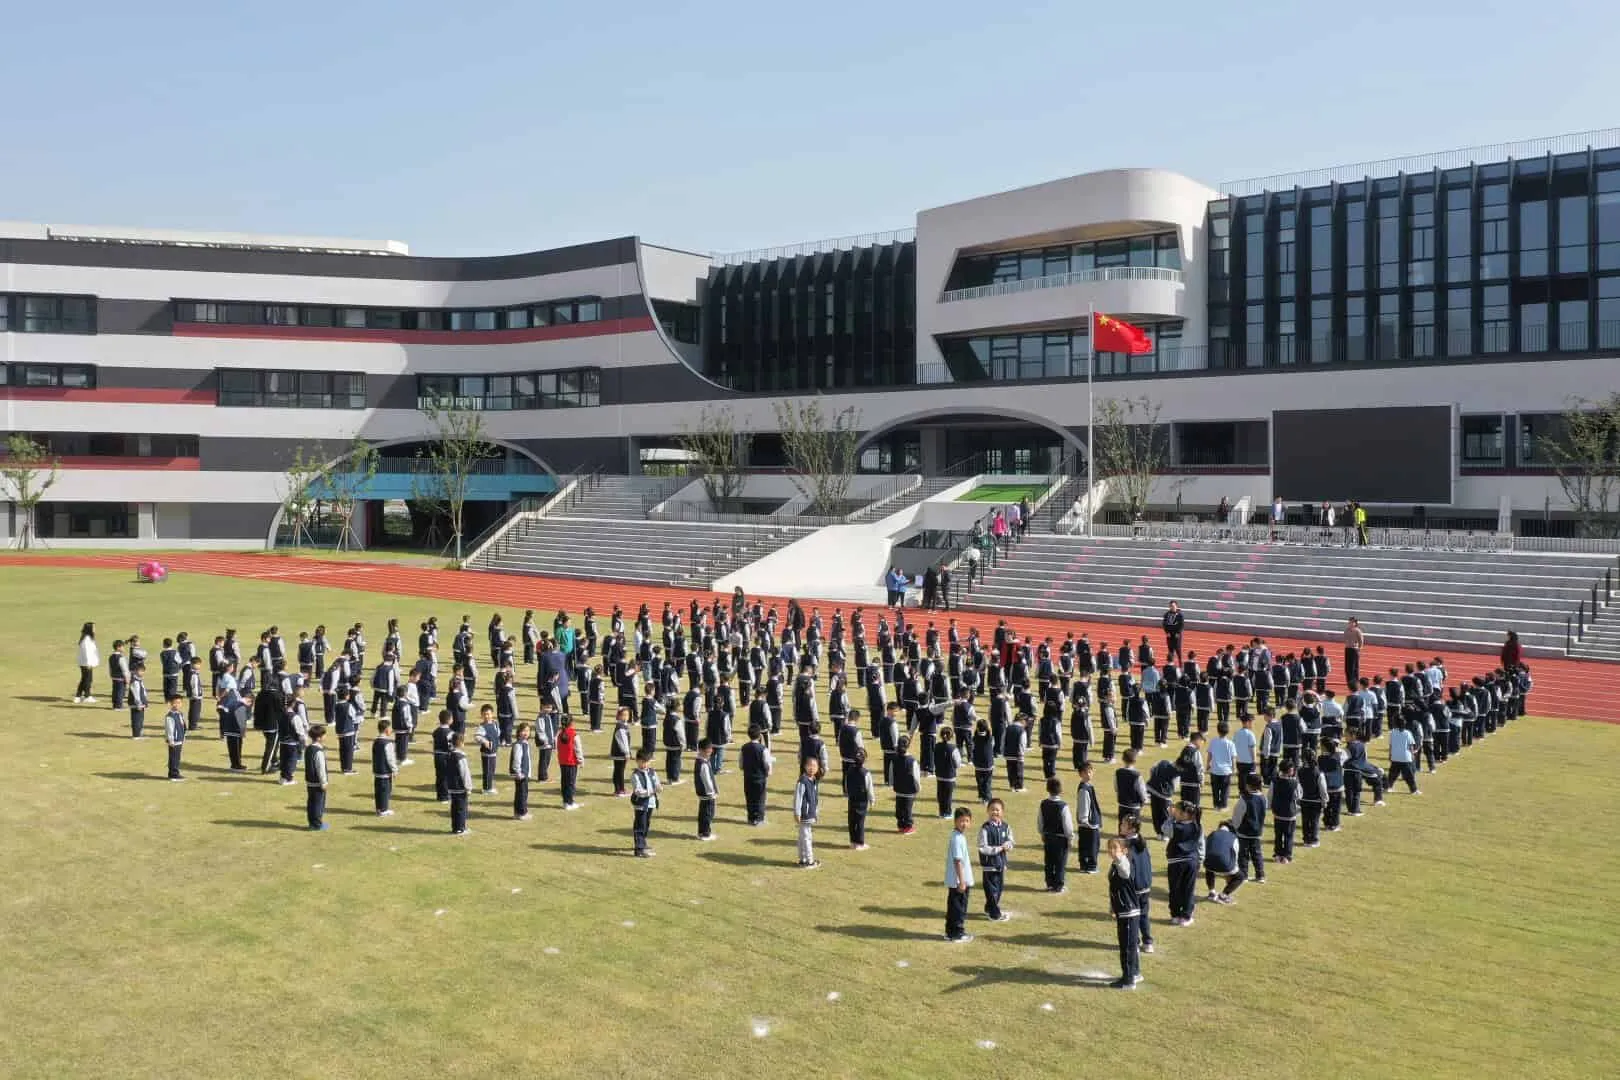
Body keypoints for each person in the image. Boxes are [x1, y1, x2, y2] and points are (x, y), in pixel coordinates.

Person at [1107, 836, 1142, 989]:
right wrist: (1113, 907)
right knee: (1130, 945)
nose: (1112, 851)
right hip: (1123, 911)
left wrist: (1120, 858)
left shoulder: (1123, 864)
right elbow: (1115, 889)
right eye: (1110, 848)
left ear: (1124, 851)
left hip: (1129, 912)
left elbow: (1126, 873)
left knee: (1127, 947)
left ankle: (1128, 980)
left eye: (1115, 848)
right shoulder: (1115, 864)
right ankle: (1135, 973)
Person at [1164, 800, 1202, 926]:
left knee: (1175, 889)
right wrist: (1200, 859)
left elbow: (1164, 829)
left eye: (1177, 810)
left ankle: (1175, 914)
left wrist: (1170, 817)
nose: (1175, 812)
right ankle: (1186, 915)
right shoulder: (1197, 826)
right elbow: (1201, 844)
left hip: (1176, 862)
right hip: (1192, 861)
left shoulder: (1176, 827)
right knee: (1188, 889)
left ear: (1185, 814)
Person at [977, 798, 1012, 922]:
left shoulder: (1005, 826)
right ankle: (995, 914)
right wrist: (998, 849)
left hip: (1001, 865)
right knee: (991, 891)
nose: (995, 812)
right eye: (992, 809)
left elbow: (1010, 841)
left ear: (1002, 812)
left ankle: (989, 908)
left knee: (999, 889)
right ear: (988, 811)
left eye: (997, 810)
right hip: (989, 865)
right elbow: (983, 848)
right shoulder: (985, 829)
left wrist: (1008, 845)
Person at [1038, 776, 1075, 893]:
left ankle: (1049, 883)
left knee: (1049, 861)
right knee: (1060, 862)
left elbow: (1040, 820)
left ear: (1047, 789)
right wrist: (1070, 837)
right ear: (1061, 790)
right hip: (1060, 838)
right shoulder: (1063, 806)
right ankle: (1058, 885)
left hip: (1048, 836)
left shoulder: (1043, 804)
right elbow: (1067, 824)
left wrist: (1042, 832)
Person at [944, 806, 975, 943]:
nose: (964, 824)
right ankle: (957, 933)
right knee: (958, 908)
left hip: (956, 880)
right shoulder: (957, 838)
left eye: (967, 821)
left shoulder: (958, 836)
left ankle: (950, 932)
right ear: (955, 821)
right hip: (958, 881)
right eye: (961, 820)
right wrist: (962, 881)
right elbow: (958, 860)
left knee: (953, 907)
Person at [1203, 821, 1244, 905]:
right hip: (1225, 864)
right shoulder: (1233, 837)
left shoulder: (1212, 834)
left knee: (1209, 869)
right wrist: (1233, 869)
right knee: (1240, 877)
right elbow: (1235, 853)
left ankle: (1211, 892)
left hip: (1208, 862)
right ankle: (1223, 895)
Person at [740, 725, 773, 826]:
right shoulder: (763, 749)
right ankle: (759, 818)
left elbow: (741, 762)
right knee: (760, 798)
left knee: (749, 797)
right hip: (760, 777)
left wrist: (743, 768)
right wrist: (769, 771)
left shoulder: (744, 747)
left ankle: (751, 817)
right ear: (759, 736)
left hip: (748, 777)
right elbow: (767, 763)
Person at [630, 750, 660, 856]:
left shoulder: (652, 771)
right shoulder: (635, 775)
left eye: (647, 762)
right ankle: (639, 849)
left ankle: (643, 842)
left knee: (646, 824)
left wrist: (658, 787)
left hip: (650, 803)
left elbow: (656, 782)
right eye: (642, 762)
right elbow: (638, 791)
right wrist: (651, 792)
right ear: (637, 761)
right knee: (640, 826)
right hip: (641, 804)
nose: (645, 764)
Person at [794, 756, 822, 869]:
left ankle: (802, 859)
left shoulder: (814, 780)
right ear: (805, 767)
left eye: (814, 766)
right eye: (809, 765)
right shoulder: (802, 781)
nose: (812, 768)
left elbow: (815, 799)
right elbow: (798, 798)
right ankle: (809, 861)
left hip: (810, 814)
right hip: (804, 815)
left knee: (803, 837)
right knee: (806, 838)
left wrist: (816, 812)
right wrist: (797, 813)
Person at [1075, 761, 1103, 873]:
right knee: (1090, 846)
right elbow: (1084, 806)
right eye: (1086, 772)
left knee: (1088, 845)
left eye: (1090, 772)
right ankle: (1089, 866)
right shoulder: (1084, 789)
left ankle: (1085, 865)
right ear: (1081, 774)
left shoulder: (1088, 787)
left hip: (1090, 823)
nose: (1089, 774)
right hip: (1088, 824)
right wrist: (1085, 820)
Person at [845, 748, 874, 850]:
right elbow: (869, 788)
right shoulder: (866, 773)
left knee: (852, 821)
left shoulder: (849, 771)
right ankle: (860, 843)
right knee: (860, 822)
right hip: (861, 801)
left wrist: (848, 794)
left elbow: (846, 785)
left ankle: (853, 841)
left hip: (852, 799)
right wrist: (872, 800)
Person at [893, 735, 921, 835]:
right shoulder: (912, 761)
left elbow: (891, 773)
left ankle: (901, 825)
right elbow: (916, 776)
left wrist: (893, 784)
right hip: (909, 789)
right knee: (908, 808)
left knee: (900, 808)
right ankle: (908, 826)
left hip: (899, 788)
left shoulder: (895, 758)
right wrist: (918, 787)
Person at [305, 724, 329, 831]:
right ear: (319, 737)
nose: (325, 737)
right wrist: (324, 782)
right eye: (324, 735)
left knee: (311, 803)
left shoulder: (309, 748)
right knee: (318, 804)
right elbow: (321, 768)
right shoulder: (318, 751)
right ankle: (317, 824)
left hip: (310, 781)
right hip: (317, 782)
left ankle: (312, 823)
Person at [448, 732, 473, 835]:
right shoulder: (460, 757)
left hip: (452, 786)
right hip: (460, 787)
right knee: (461, 808)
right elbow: (464, 773)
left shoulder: (450, 754)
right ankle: (460, 828)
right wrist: (468, 787)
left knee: (454, 808)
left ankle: (455, 827)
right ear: (461, 743)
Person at [372, 718, 398, 816]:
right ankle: (384, 809)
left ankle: (379, 808)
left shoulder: (376, 741)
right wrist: (395, 769)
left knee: (378, 790)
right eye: (390, 728)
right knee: (385, 790)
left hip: (377, 770)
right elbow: (390, 758)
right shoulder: (388, 743)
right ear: (387, 730)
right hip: (385, 771)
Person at [557, 713, 583, 809]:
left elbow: (558, 747)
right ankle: (569, 802)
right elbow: (577, 749)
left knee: (564, 782)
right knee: (570, 782)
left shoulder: (560, 734)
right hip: (571, 762)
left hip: (562, 761)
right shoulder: (574, 734)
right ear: (572, 723)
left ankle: (565, 801)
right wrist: (580, 760)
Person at [694, 739, 718, 840]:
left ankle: (702, 831)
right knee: (708, 813)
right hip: (707, 793)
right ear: (701, 750)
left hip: (704, 793)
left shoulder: (702, 761)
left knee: (704, 812)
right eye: (708, 750)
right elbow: (706, 780)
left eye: (711, 750)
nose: (710, 752)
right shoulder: (703, 764)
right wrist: (711, 792)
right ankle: (705, 833)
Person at [476, 705, 501, 796]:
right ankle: (486, 788)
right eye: (484, 714)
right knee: (487, 771)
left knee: (492, 770)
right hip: (486, 753)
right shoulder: (482, 727)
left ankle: (489, 786)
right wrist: (485, 741)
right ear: (481, 715)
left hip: (493, 752)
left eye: (488, 714)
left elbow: (498, 733)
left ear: (492, 714)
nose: (487, 716)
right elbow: (477, 736)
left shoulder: (495, 724)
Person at [162, 694, 186, 781]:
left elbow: (183, 726)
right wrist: (171, 740)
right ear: (171, 704)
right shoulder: (170, 716)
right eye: (175, 703)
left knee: (177, 757)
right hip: (174, 741)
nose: (178, 705)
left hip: (179, 739)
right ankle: (173, 774)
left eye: (179, 703)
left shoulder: (180, 714)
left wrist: (183, 736)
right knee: (173, 757)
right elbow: (169, 729)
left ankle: (175, 772)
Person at [610, 706, 633, 797]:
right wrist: (627, 753)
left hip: (617, 753)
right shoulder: (621, 728)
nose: (626, 717)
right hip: (620, 753)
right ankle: (620, 790)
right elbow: (623, 741)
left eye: (627, 715)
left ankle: (617, 789)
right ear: (619, 716)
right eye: (623, 715)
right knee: (620, 771)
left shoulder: (622, 726)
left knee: (617, 770)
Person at [75, 622, 99, 703]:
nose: (95, 630)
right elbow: (87, 653)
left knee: (85, 679)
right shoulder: (87, 640)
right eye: (93, 628)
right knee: (88, 679)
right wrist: (89, 663)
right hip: (86, 663)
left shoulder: (88, 638)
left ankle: (78, 696)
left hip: (86, 663)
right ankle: (87, 696)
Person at [127, 662, 150, 739]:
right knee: (137, 719)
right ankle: (136, 735)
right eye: (140, 670)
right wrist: (139, 703)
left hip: (140, 703)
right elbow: (136, 694)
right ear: (135, 671)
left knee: (140, 719)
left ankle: (139, 733)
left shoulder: (139, 680)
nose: (142, 672)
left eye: (143, 671)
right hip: (136, 704)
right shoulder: (135, 681)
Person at [1343, 618, 1364, 692]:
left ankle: (1355, 680)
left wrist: (1359, 648)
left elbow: (1361, 640)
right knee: (1347, 666)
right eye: (1349, 622)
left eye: (1352, 622)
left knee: (1354, 666)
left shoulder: (1358, 631)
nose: (1350, 623)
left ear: (1355, 623)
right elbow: (1345, 638)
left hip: (1354, 649)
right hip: (1347, 648)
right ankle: (1349, 680)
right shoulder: (1346, 630)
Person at [1162, 601, 1185, 666]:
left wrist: (1178, 633)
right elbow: (1164, 624)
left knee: (1178, 649)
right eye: (1171, 606)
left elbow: (1182, 625)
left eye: (1173, 606)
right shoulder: (1167, 614)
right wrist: (1167, 632)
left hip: (1177, 635)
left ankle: (1180, 663)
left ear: (1176, 606)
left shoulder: (1180, 615)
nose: (1172, 607)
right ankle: (1171, 663)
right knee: (1170, 649)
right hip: (1169, 635)